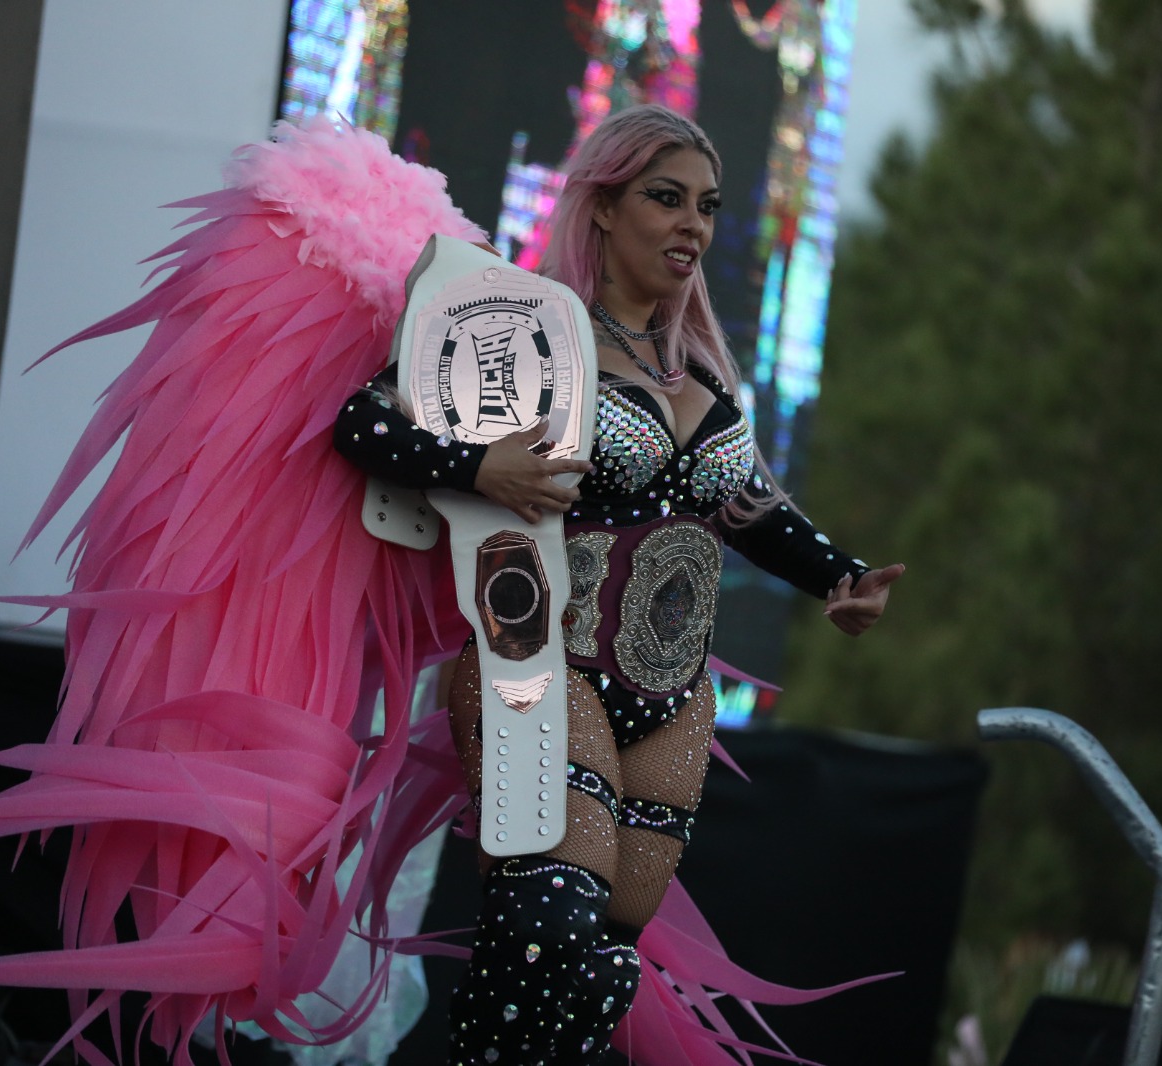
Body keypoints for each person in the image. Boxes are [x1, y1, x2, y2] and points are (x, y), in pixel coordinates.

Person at [332, 103, 904, 1065]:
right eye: (666, 198)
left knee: (590, 981)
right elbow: (362, 420)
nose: (692, 225)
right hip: (541, 665)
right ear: (602, 206)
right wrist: (480, 467)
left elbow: (752, 510)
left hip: (672, 705)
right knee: (552, 927)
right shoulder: (529, 330)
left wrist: (841, 577)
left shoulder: (706, 379)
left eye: (707, 207)